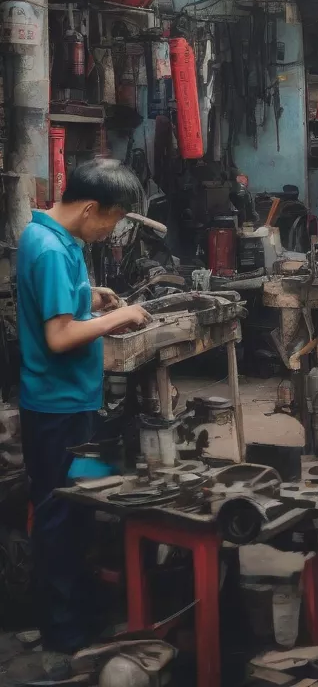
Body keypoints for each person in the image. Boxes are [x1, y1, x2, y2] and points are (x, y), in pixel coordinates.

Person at [13, 159, 151, 682]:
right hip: (56, 407)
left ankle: (82, 613)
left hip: (74, 401)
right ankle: (63, 633)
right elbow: (59, 337)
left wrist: (91, 298)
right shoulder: (49, 248)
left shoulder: (55, 236)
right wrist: (120, 316)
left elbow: (57, 305)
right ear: (90, 208)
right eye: (111, 222)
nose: (109, 232)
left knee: (80, 509)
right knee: (58, 515)